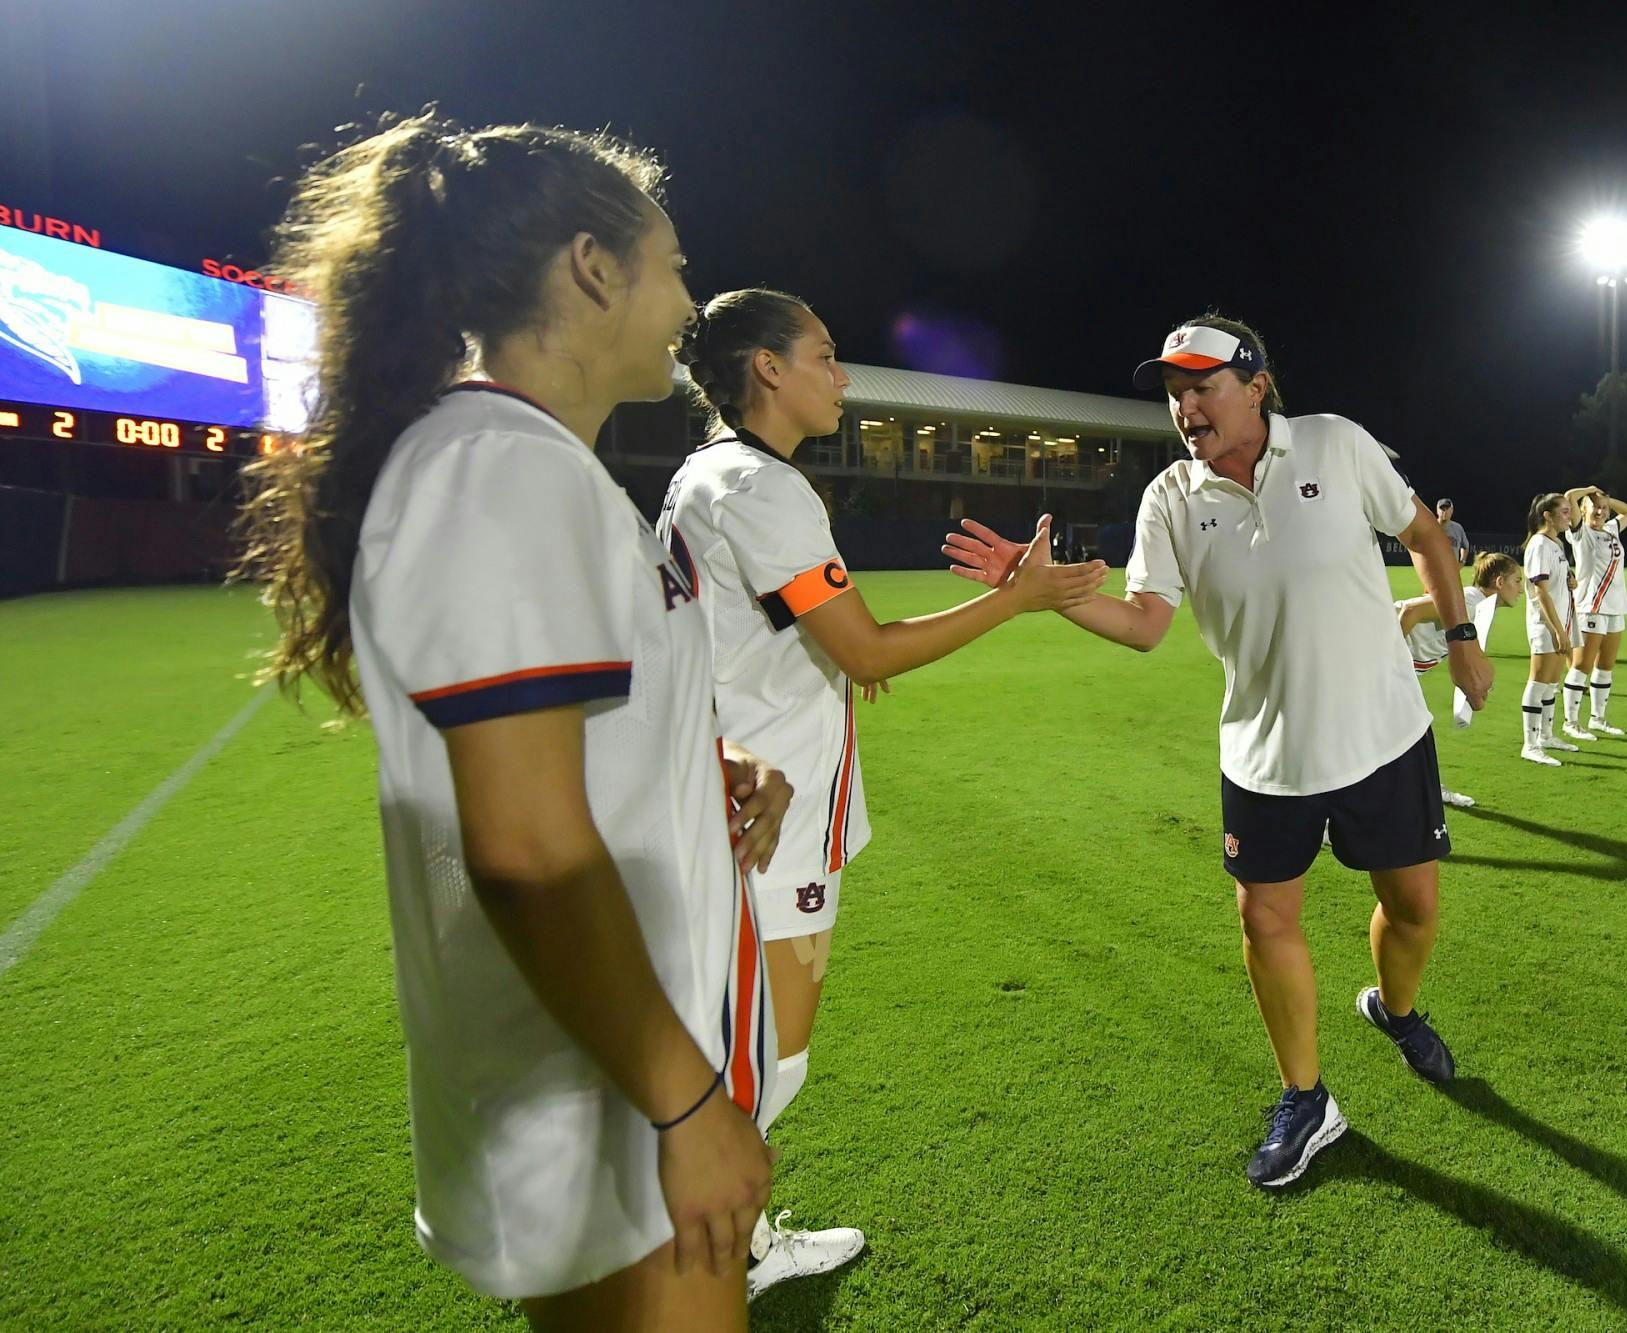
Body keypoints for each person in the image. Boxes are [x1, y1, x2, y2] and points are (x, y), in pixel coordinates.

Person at [235, 112, 782, 1331]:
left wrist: (703, 764)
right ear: (593, 267)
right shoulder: (499, 469)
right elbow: (527, 848)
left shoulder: (522, 462)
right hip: (599, 1100)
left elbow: (557, 755)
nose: (689, 300)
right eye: (674, 264)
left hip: (600, 1080)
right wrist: (689, 1105)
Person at [943, 315, 1493, 1191]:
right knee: (1266, 920)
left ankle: (1395, 1008)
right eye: (1174, 392)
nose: (1186, 405)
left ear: (1257, 385)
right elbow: (1144, 624)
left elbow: (1424, 533)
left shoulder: (1336, 445)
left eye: (1203, 386)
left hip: (1384, 735)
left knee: (1415, 908)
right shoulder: (1168, 498)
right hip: (1264, 754)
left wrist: (1461, 635)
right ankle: (1307, 1099)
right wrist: (1037, 592)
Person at [663, 288, 1106, 1293]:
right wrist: (1016, 597)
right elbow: (860, 638)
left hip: (733, 786)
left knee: (736, 1039)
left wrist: (839, 660)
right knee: (773, 1057)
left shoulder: (709, 474)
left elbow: (793, 635)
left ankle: (709, 1234)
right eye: (821, 354)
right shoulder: (762, 489)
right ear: (766, 369)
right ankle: (708, 1246)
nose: (840, 374)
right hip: (770, 809)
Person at [1397, 552, 1524, 807]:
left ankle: (1430, 788)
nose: (1521, 589)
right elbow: (1410, 612)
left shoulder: (1479, 608)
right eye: (1517, 581)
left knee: (1413, 734)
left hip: (1395, 675)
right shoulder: (1469, 602)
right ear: (1499, 582)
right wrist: (1385, 664)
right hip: (1372, 662)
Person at [1560, 486, 1627, 736]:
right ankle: (1570, 722)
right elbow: (1570, 496)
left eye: (1603, 508)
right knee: (1581, 665)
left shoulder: (1612, 529)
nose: (1601, 512)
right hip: (1592, 607)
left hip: (1616, 608)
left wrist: (1607, 499)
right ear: (1583, 511)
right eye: (1595, 508)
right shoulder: (1581, 533)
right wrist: (1590, 491)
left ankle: (1598, 718)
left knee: (1606, 666)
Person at [1520, 493, 1582, 763]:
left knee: (1551, 682)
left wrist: (1571, 582)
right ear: (1548, 515)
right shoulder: (1539, 545)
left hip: (1562, 621)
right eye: (1565, 512)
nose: (1570, 516)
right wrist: (1557, 629)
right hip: (1546, 624)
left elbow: (1556, 583)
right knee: (1538, 680)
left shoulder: (1555, 543)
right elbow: (1540, 592)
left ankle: (1546, 735)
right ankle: (1530, 744)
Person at [1436, 498, 1470, 566]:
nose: (1444, 511)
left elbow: (1465, 546)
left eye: (1447, 509)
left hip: (1452, 569)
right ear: (1437, 510)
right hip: (1434, 568)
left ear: (1452, 510)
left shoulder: (1458, 528)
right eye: (1442, 509)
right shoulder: (1430, 526)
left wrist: (1462, 561)